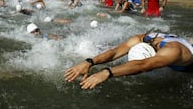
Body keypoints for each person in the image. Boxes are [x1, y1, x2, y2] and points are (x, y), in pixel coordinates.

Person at [64, 32, 193, 89]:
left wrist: (106, 72)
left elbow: (143, 66)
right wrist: (89, 62)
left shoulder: (172, 51)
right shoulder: (143, 38)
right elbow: (115, 52)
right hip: (181, 42)